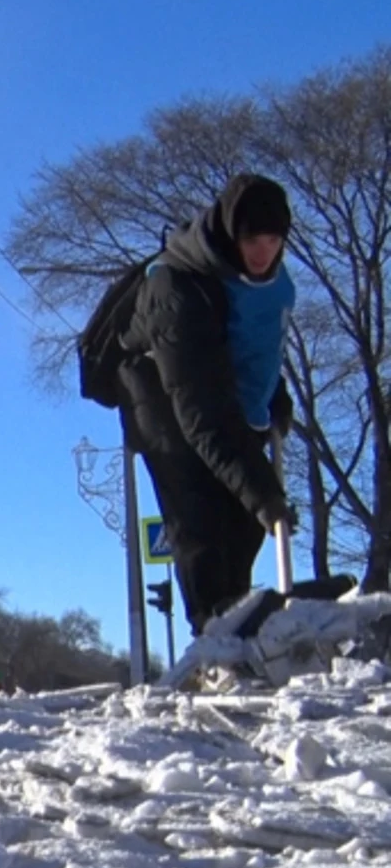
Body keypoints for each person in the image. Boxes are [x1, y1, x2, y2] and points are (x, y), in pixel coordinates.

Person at [117, 173, 295, 636]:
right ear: (230, 233)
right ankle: (213, 633)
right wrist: (267, 496)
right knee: (202, 520)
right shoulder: (176, 289)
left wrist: (274, 392)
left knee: (245, 528)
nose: (263, 251)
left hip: (229, 398)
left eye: (274, 240)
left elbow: (258, 343)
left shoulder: (270, 282)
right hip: (163, 395)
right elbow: (202, 414)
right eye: (252, 238)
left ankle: (243, 634)